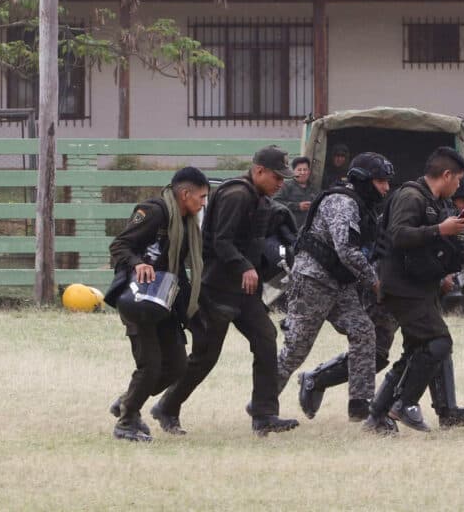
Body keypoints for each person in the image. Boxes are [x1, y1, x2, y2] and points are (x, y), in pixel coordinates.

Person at [297, 170, 464, 429]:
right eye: (463, 200)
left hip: (415, 290)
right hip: (385, 287)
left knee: (430, 344)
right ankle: (317, 379)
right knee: (377, 354)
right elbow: (400, 246)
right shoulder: (419, 205)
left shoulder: (442, 209)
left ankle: (445, 410)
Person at [154, 146, 299, 436]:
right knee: (205, 357)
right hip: (217, 288)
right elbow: (222, 241)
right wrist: (245, 266)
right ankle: (166, 406)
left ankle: (264, 414)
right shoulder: (238, 195)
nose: (281, 183)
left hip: (244, 292)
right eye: (277, 177)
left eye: (284, 178)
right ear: (258, 171)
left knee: (266, 339)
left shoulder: (258, 196)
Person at [363, 146, 464, 434]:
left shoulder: (435, 201)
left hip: (419, 285)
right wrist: (441, 230)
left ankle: (377, 416)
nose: (458, 186)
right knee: (439, 342)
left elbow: (431, 241)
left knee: (415, 351)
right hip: (402, 287)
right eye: (457, 180)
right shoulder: (410, 196)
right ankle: (404, 404)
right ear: (447, 174)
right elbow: (399, 235)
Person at [277, 153, 392, 422]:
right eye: (381, 181)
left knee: (364, 331)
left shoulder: (361, 205)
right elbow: (346, 249)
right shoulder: (342, 202)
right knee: (295, 350)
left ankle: (360, 405)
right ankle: (262, 405)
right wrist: (373, 281)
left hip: (339, 284)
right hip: (313, 282)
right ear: (364, 180)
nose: (386, 188)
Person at [104, 167, 209, 442]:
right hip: (139, 299)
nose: (203, 203)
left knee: (176, 366)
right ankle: (126, 423)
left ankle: (128, 400)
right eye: (201, 196)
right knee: (150, 366)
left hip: (166, 300)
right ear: (185, 194)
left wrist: (193, 311)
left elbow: (180, 271)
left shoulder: (187, 224)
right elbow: (119, 245)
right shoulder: (154, 212)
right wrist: (138, 264)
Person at [274, 156, 320, 231]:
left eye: (305, 170)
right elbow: (275, 202)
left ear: (309, 171)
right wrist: (297, 206)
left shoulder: (315, 189)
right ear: (293, 171)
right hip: (290, 230)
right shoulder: (286, 186)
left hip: (309, 231)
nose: (302, 172)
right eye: (299, 170)